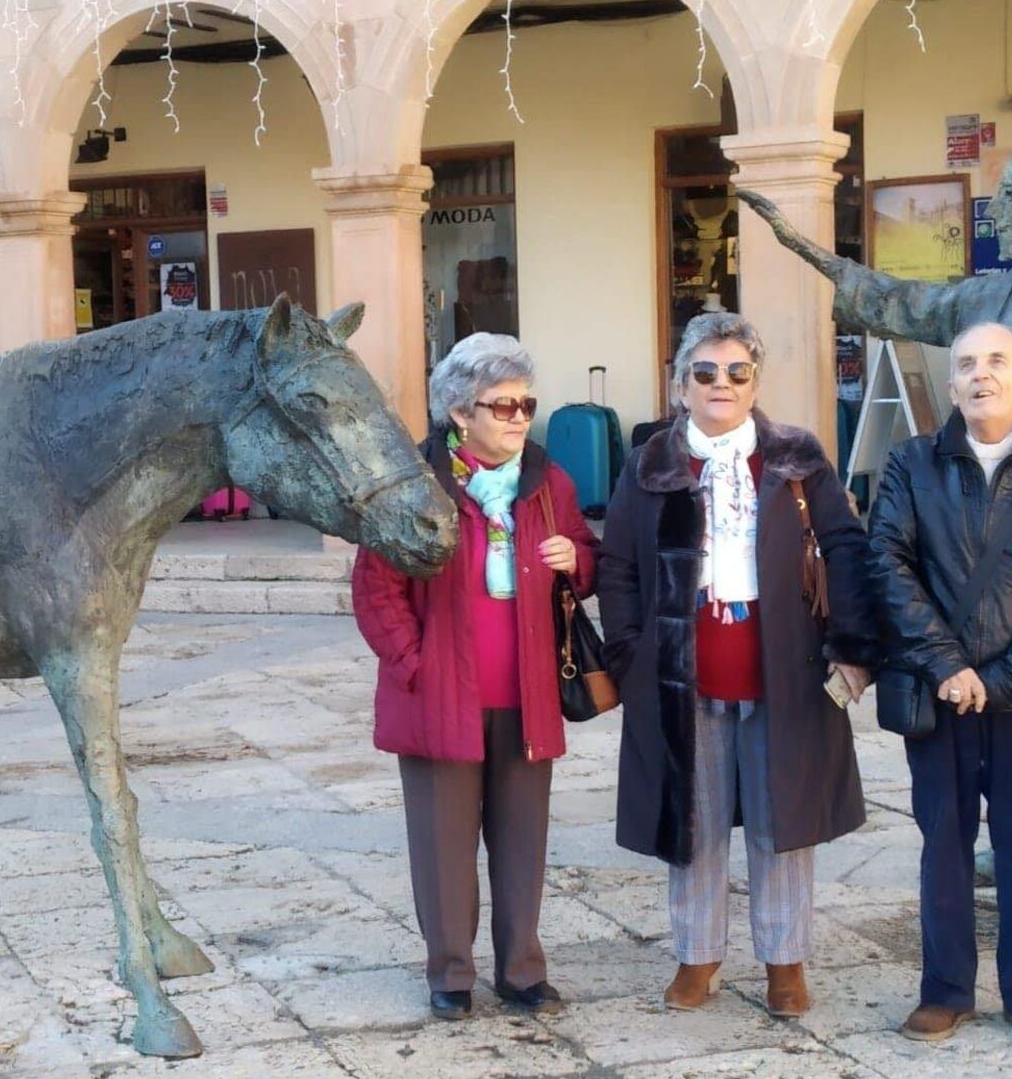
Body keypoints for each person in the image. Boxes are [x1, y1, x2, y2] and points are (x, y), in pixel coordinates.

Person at [598, 312, 879, 1018]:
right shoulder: (650, 463)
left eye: (736, 372)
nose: (721, 384)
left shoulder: (797, 457)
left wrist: (850, 646)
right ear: (678, 385)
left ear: (755, 383)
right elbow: (620, 567)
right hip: (681, 673)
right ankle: (698, 957)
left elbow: (845, 549)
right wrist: (632, 656)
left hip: (785, 668)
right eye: (705, 372)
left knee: (782, 822)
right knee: (692, 822)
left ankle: (785, 961)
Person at [352, 333, 597, 1021]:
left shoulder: (551, 485)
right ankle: (451, 975)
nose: (520, 418)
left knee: (523, 844)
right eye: (504, 405)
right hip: (440, 698)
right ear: (461, 412)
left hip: (528, 694)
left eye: (527, 404)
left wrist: (571, 558)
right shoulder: (412, 486)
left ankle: (522, 971)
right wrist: (416, 666)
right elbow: (376, 592)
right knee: (443, 848)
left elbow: (588, 556)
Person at [868, 320, 1012, 1043]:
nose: (980, 374)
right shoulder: (911, 463)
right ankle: (946, 989)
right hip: (939, 693)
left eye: (997, 361)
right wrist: (949, 666)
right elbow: (888, 565)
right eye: (966, 363)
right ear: (951, 381)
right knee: (944, 846)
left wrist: (992, 680)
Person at [739, 145, 1012, 349]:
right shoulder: (987, 298)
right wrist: (801, 246)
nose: (993, 209)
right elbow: (903, 300)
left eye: (1009, 194)